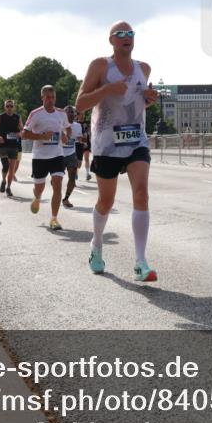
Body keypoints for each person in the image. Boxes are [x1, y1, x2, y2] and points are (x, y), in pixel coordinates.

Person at [75, 20, 160, 282]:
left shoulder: (143, 68)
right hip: (106, 143)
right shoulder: (100, 66)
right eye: (120, 34)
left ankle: (140, 262)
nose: (127, 37)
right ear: (111, 40)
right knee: (106, 202)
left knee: (142, 194)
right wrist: (106, 89)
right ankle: (96, 245)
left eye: (130, 33)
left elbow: (137, 103)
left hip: (136, 141)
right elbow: (80, 104)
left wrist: (149, 99)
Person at [21, 85, 70, 231]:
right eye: (47, 97)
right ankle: (37, 197)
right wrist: (41, 136)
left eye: (53, 97)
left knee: (58, 183)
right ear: (42, 97)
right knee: (39, 188)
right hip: (40, 156)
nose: (50, 100)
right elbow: (24, 134)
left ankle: (54, 218)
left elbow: (67, 127)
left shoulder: (61, 113)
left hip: (57, 154)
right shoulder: (36, 114)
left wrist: (66, 135)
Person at [0, 99, 22, 196]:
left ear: (14, 107)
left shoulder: (17, 117)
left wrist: (19, 134)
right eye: (7, 106)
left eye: (11, 106)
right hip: (3, 145)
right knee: (5, 166)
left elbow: (22, 129)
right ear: (5, 107)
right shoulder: (0, 116)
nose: (9, 108)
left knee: (12, 169)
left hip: (13, 145)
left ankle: (8, 187)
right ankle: (3, 180)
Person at [81, 111, 93, 181]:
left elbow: (90, 133)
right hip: (78, 144)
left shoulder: (88, 123)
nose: (82, 116)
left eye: (83, 114)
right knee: (78, 161)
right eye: (81, 114)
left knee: (86, 158)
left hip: (86, 143)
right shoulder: (76, 123)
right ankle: (75, 173)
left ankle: (87, 174)